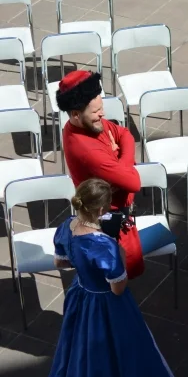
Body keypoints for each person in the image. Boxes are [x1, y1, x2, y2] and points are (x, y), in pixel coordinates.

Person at [45, 178, 183, 377]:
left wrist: (83, 263)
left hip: (80, 295)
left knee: (78, 350)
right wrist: (119, 252)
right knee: (121, 352)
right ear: (101, 209)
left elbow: (60, 262)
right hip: (105, 305)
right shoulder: (104, 245)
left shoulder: (67, 225)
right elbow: (117, 287)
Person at [56, 70, 144, 279]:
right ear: (76, 114)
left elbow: (125, 134)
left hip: (115, 218)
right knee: (114, 283)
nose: (102, 115)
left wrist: (119, 160)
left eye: (101, 108)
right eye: (96, 112)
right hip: (109, 227)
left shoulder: (89, 123)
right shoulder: (87, 150)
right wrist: (123, 160)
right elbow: (134, 181)